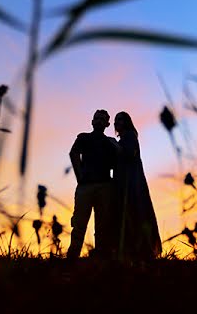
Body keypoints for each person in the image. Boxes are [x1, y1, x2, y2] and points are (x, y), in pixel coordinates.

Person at [67, 109, 119, 260]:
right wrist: (80, 176)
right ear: (92, 121)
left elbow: (118, 161)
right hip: (85, 186)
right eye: (97, 118)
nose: (99, 121)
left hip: (105, 186)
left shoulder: (110, 142)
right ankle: (72, 258)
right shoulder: (84, 138)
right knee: (79, 223)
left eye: (103, 119)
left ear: (107, 124)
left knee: (102, 226)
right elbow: (73, 153)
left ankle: (100, 259)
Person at [113, 111, 162, 262]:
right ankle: (130, 251)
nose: (118, 122)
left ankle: (141, 251)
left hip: (131, 182)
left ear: (127, 122)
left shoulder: (129, 135)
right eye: (116, 120)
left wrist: (113, 145)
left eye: (121, 119)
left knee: (135, 211)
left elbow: (129, 154)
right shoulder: (125, 137)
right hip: (124, 180)